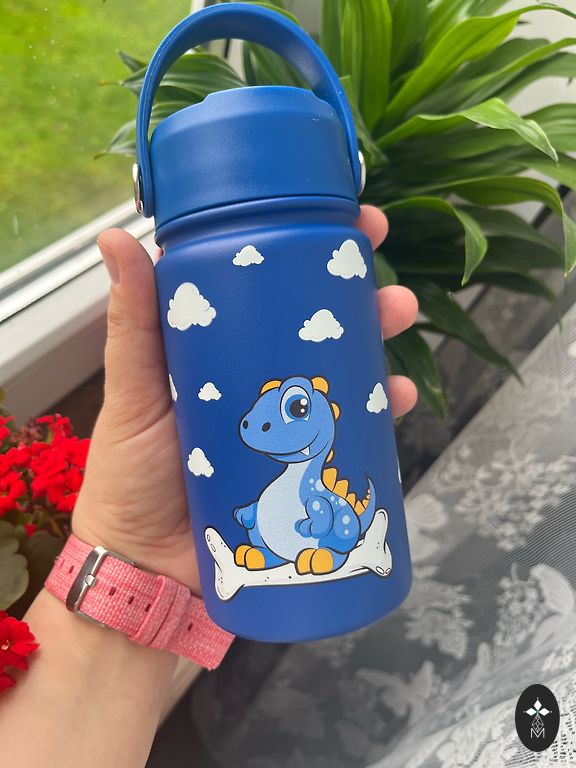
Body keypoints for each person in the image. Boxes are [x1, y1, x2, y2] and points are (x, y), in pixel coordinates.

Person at [0, 206, 418, 767]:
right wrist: (132, 548)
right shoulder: (192, 268)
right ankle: (274, 551)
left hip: (333, 527)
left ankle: (333, 550)